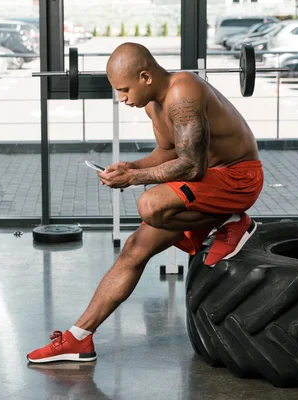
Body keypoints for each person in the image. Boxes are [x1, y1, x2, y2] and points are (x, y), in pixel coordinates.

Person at [26, 42, 264, 364]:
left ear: (145, 76)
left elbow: (192, 165)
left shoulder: (182, 93)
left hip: (238, 178)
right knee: (135, 248)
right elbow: (167, 156)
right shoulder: (154, 104)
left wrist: (135, 180)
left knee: (150, 204)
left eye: (124, 90)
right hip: (206, 183)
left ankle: (232, 220)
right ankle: (78, 338)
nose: (122, 99)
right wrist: (130, 167)